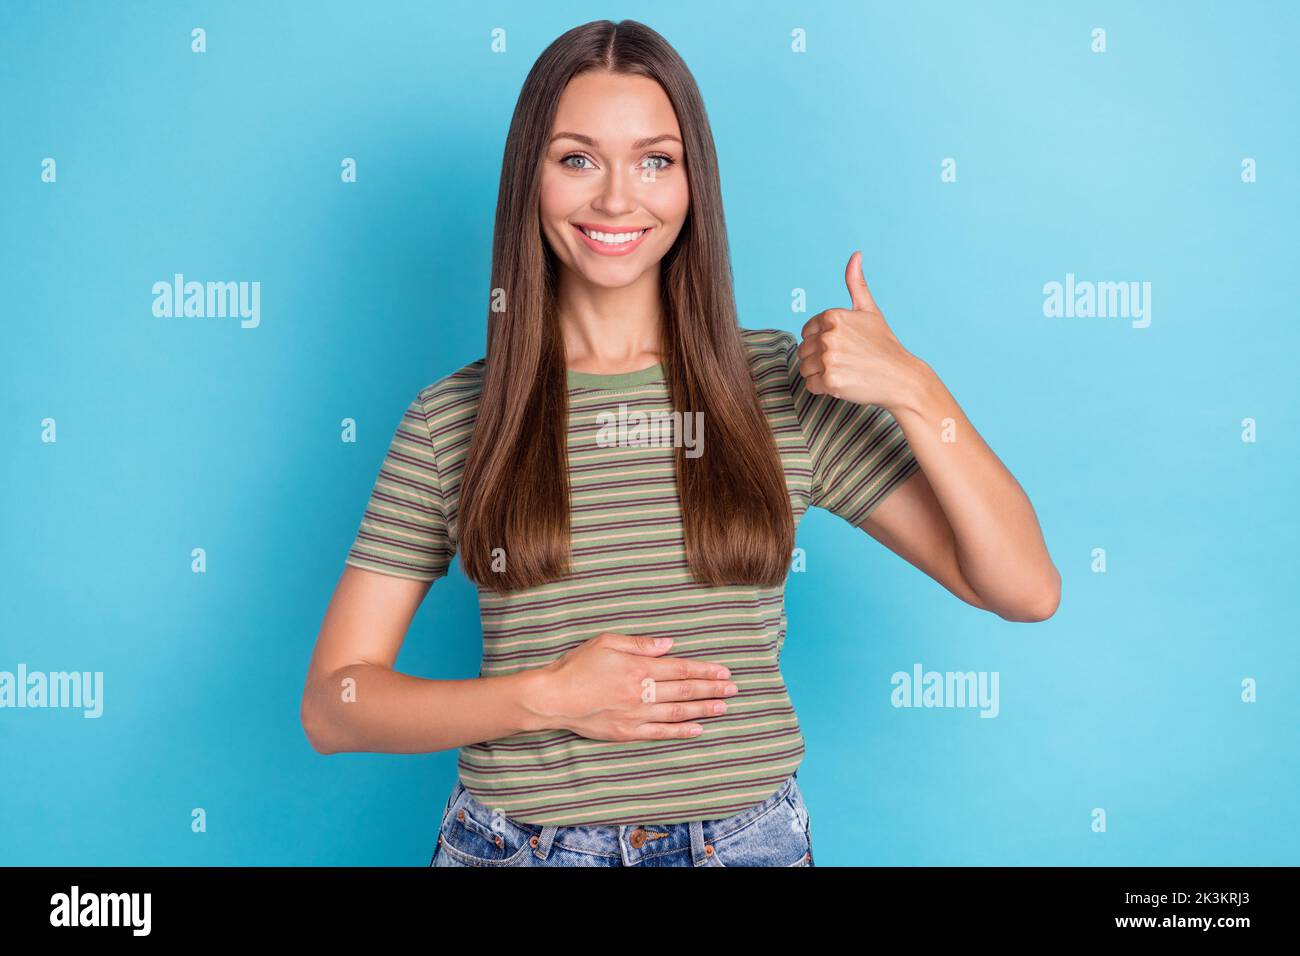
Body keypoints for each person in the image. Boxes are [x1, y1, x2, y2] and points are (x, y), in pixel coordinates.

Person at [300, 18, 1060, 867]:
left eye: (655, 160)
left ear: (693, 183)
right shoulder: (454, 419)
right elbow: (337, 704)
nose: (618, 199)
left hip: (747, 848)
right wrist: (547, 698)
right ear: (531, 180)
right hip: (515, 849)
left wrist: (917, 391)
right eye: (577, 158)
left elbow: (1023, 588)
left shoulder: (779, 387)